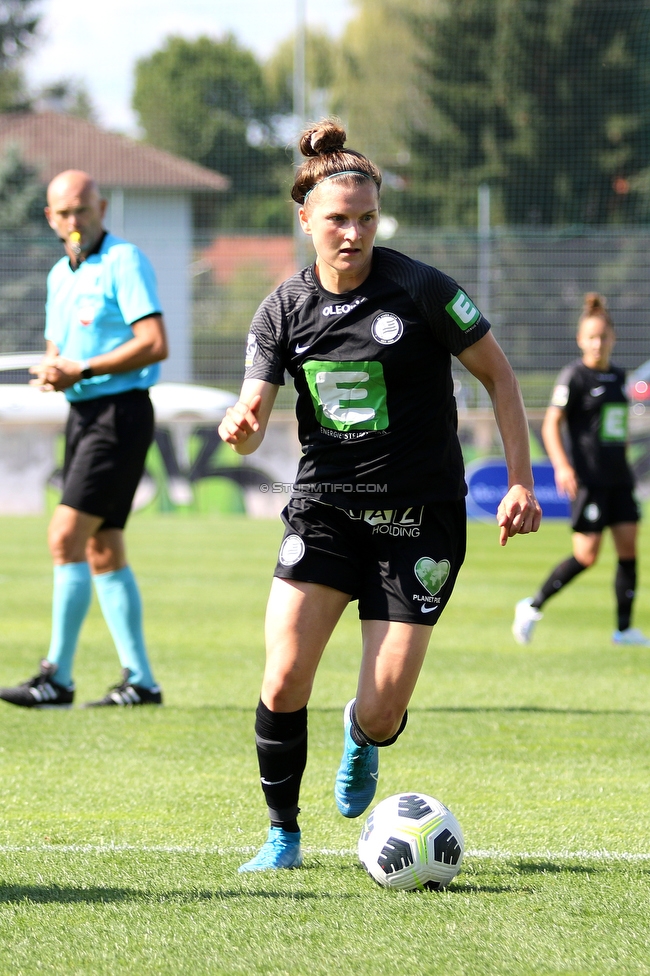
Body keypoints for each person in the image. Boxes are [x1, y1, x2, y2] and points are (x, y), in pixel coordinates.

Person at [218, 119, 542, 873]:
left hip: (419, 518)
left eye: (366, 218)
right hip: (325, 512)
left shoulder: (422, 289)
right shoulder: (281, 310)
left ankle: (361, 734)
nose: (353, 233)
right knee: (283, 675)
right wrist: (242, 422)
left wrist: (520, 479)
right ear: (306, 220)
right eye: (337, 219)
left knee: (386, 705)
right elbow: (254, 405)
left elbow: (500, 376)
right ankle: (282, 835)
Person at [0, 169, 168, 709]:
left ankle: (58, 678)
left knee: (64, 536)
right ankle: (141, 681)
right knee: (101, 546)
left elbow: (153, 342)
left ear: (100, 207)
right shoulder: (59, 275)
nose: (75, 221)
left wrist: (84, 369)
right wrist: (54, 371)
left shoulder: (124, 260)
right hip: (83, 416)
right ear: (51, 219)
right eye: (64, 213)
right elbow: (58, 351)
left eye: (83, 209)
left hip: (119, 414)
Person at [512, 292, 648, 647]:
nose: (598, 343)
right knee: (587, 555)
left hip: (619, 478)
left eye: (603, 336)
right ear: (580, 340)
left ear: (613, 338)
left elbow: (614, 429)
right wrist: (562, 465)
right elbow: (550, 423)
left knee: (629, 548)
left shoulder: (619, 377)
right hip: (589, 481)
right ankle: (531, 605)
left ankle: (623, 629)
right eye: (591, 337)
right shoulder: (574, 376)